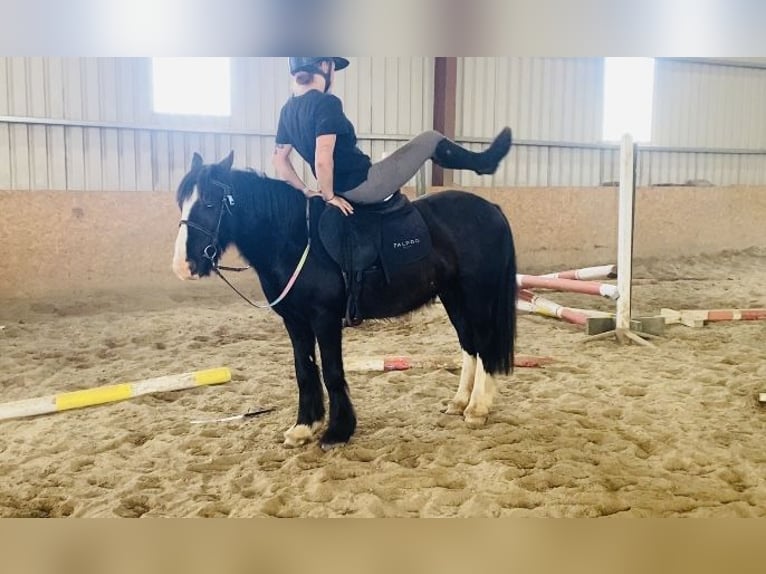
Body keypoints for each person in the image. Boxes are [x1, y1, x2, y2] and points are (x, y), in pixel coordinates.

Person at [273, 57, 512, 216]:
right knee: (430, 138)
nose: (334, 73)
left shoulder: (287, 110)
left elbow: (280, 161)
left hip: (341, 185)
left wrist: (307, 190)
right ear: (324, 66)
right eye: (333, 68)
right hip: (362, 185)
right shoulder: (326, 103)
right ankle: (483, 163)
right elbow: (323, 158)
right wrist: (328, 196)